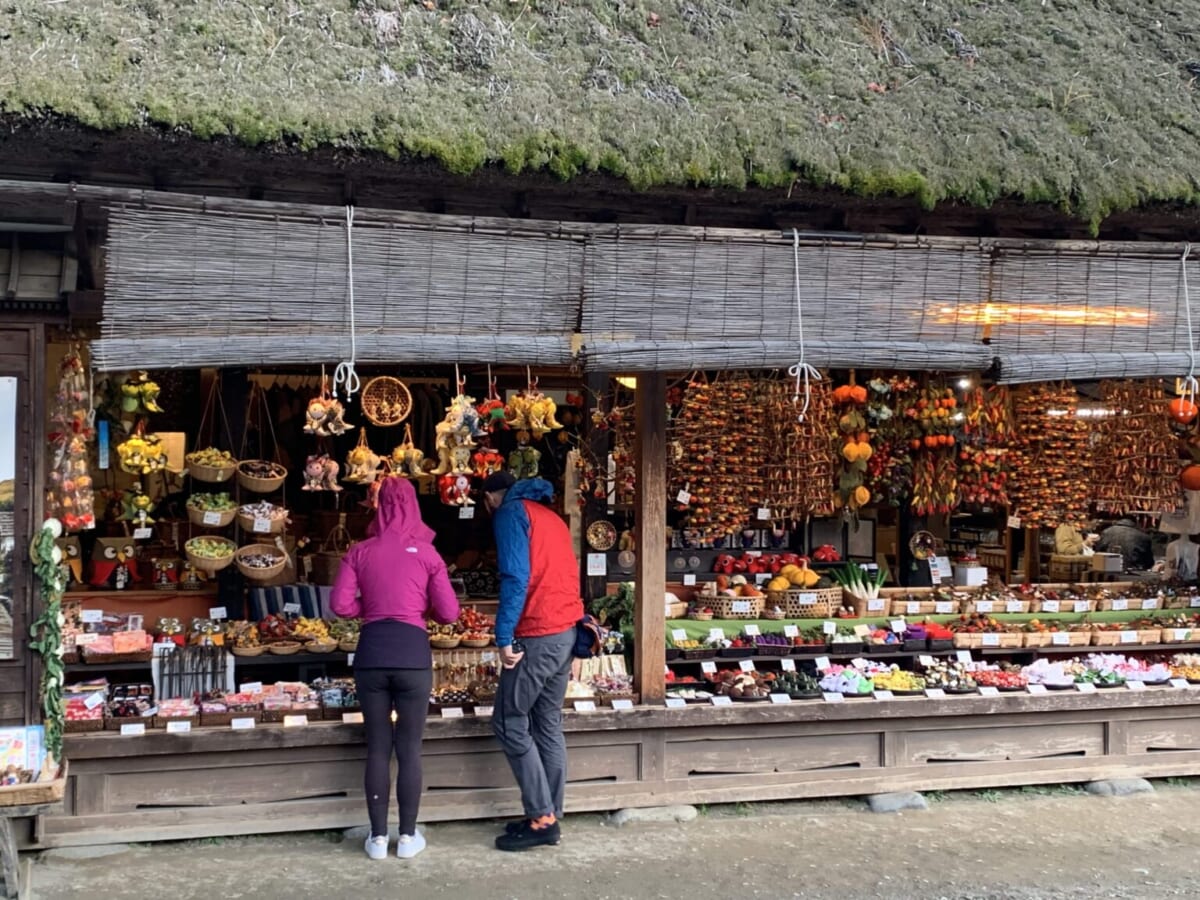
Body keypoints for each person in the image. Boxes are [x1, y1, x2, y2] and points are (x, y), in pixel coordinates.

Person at [331, 477, 459, 861]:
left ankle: (376, 839)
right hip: (413, 656)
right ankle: (406, 838)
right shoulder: (428, 554)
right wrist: (420, 608)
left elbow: (340, 606)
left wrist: (369, 609)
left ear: (379, 505)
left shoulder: (359, 551)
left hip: (371, 654)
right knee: (409, 749)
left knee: (377, 747)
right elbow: (449, 612)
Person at [481, 471, 584, 852]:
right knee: (547, 723)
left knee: (509, 721)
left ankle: (542, 819)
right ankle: (549, 812)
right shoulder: (551, 517)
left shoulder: (510, 513)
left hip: (537, 632)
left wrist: (504, 635)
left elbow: (515, 576)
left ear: (491, 497)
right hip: (564, 630)